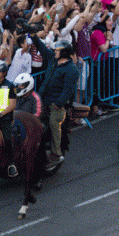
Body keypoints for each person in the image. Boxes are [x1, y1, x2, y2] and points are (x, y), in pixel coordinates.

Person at [36, 38, 81, 169]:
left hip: (57, 106)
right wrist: (33, 35)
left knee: (53, 123)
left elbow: (68, 90)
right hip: (43, 101)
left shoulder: (71, 70)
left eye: (57, 50)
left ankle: (56, 154)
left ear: (64, 53)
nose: (54, 51)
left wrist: (59, 104)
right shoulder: (53, 60)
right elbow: (43, 49)